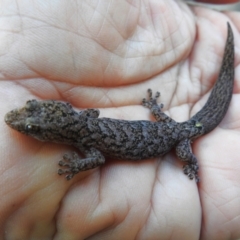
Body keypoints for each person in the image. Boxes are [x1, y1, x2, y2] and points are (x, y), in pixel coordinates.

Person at [1, 1, 239, 239]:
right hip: (168, 127)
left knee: (184, 154)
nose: (21, 124)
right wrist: (155, 110)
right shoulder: (86, 120)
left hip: (179, 135)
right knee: (179, 129)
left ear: (56, 132)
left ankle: (193, 157)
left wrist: (76, 166)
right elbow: (92, 116)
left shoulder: (86, 142)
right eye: (30, 124)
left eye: (31, 128)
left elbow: (97, 158)